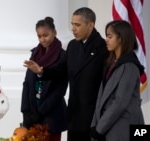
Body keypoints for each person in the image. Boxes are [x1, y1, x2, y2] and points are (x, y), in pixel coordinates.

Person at [23, 7, 108, 141]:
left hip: (93, 114)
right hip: (74, 113)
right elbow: (60, 71)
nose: (73, 29)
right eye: (72, 24)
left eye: (77, 25)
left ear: (90, 25)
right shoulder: (73, 46)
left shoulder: (103, 48)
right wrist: (41, 71)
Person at [90, 20, 144, 141]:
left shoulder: (130, 66)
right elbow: (101, 96)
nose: (106, 40)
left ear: (121, 38)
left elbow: (120, 102)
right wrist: (94, 125)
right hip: (106, 127)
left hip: (125, 128)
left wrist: (100, 128)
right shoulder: (110, 63)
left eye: (110, 36)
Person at [21, 17, 68, 141]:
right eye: (39, 36)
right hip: (32, 114)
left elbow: (59, 90)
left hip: (51, 117)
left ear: (55, 32)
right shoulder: (35, 53)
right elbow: (27, 84)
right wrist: (26, 112)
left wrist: (40, 113)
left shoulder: (63, 56)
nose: (43, 39)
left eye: (46, 35)